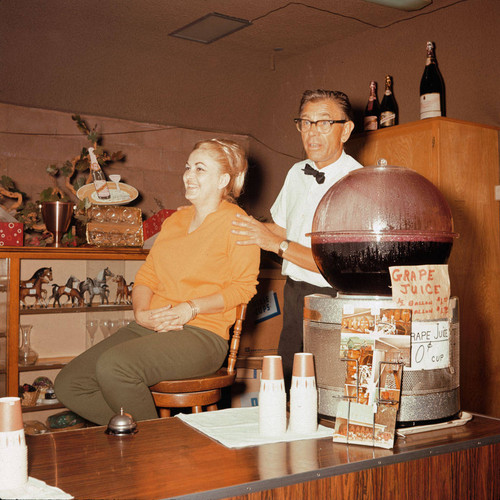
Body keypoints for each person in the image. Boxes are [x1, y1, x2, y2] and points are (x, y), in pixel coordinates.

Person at [55, 139, 260, 425]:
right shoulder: (174, 221)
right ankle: (147, 435)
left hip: (201, 334)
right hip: (152, 326)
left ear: (223, 179)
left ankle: (151, 447)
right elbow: (146, 277)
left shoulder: (238, 224)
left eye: (200, 169)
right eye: (188, 167)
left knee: (115, 367)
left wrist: (190, 308)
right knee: (69, 383)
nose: (189, 175)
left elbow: (243, 288)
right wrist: (141, 314)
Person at [232, 89, 362, 384]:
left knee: (330, 386)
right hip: (295, 293)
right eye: (306, 123)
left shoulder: (357, 182)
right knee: (290, 383)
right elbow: (280, 229)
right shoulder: (295, 173)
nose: (312, 133)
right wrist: (239, 225)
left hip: (335, 299)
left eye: (324, 123)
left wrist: (276, 244)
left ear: (346, 130)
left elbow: (334, 263)